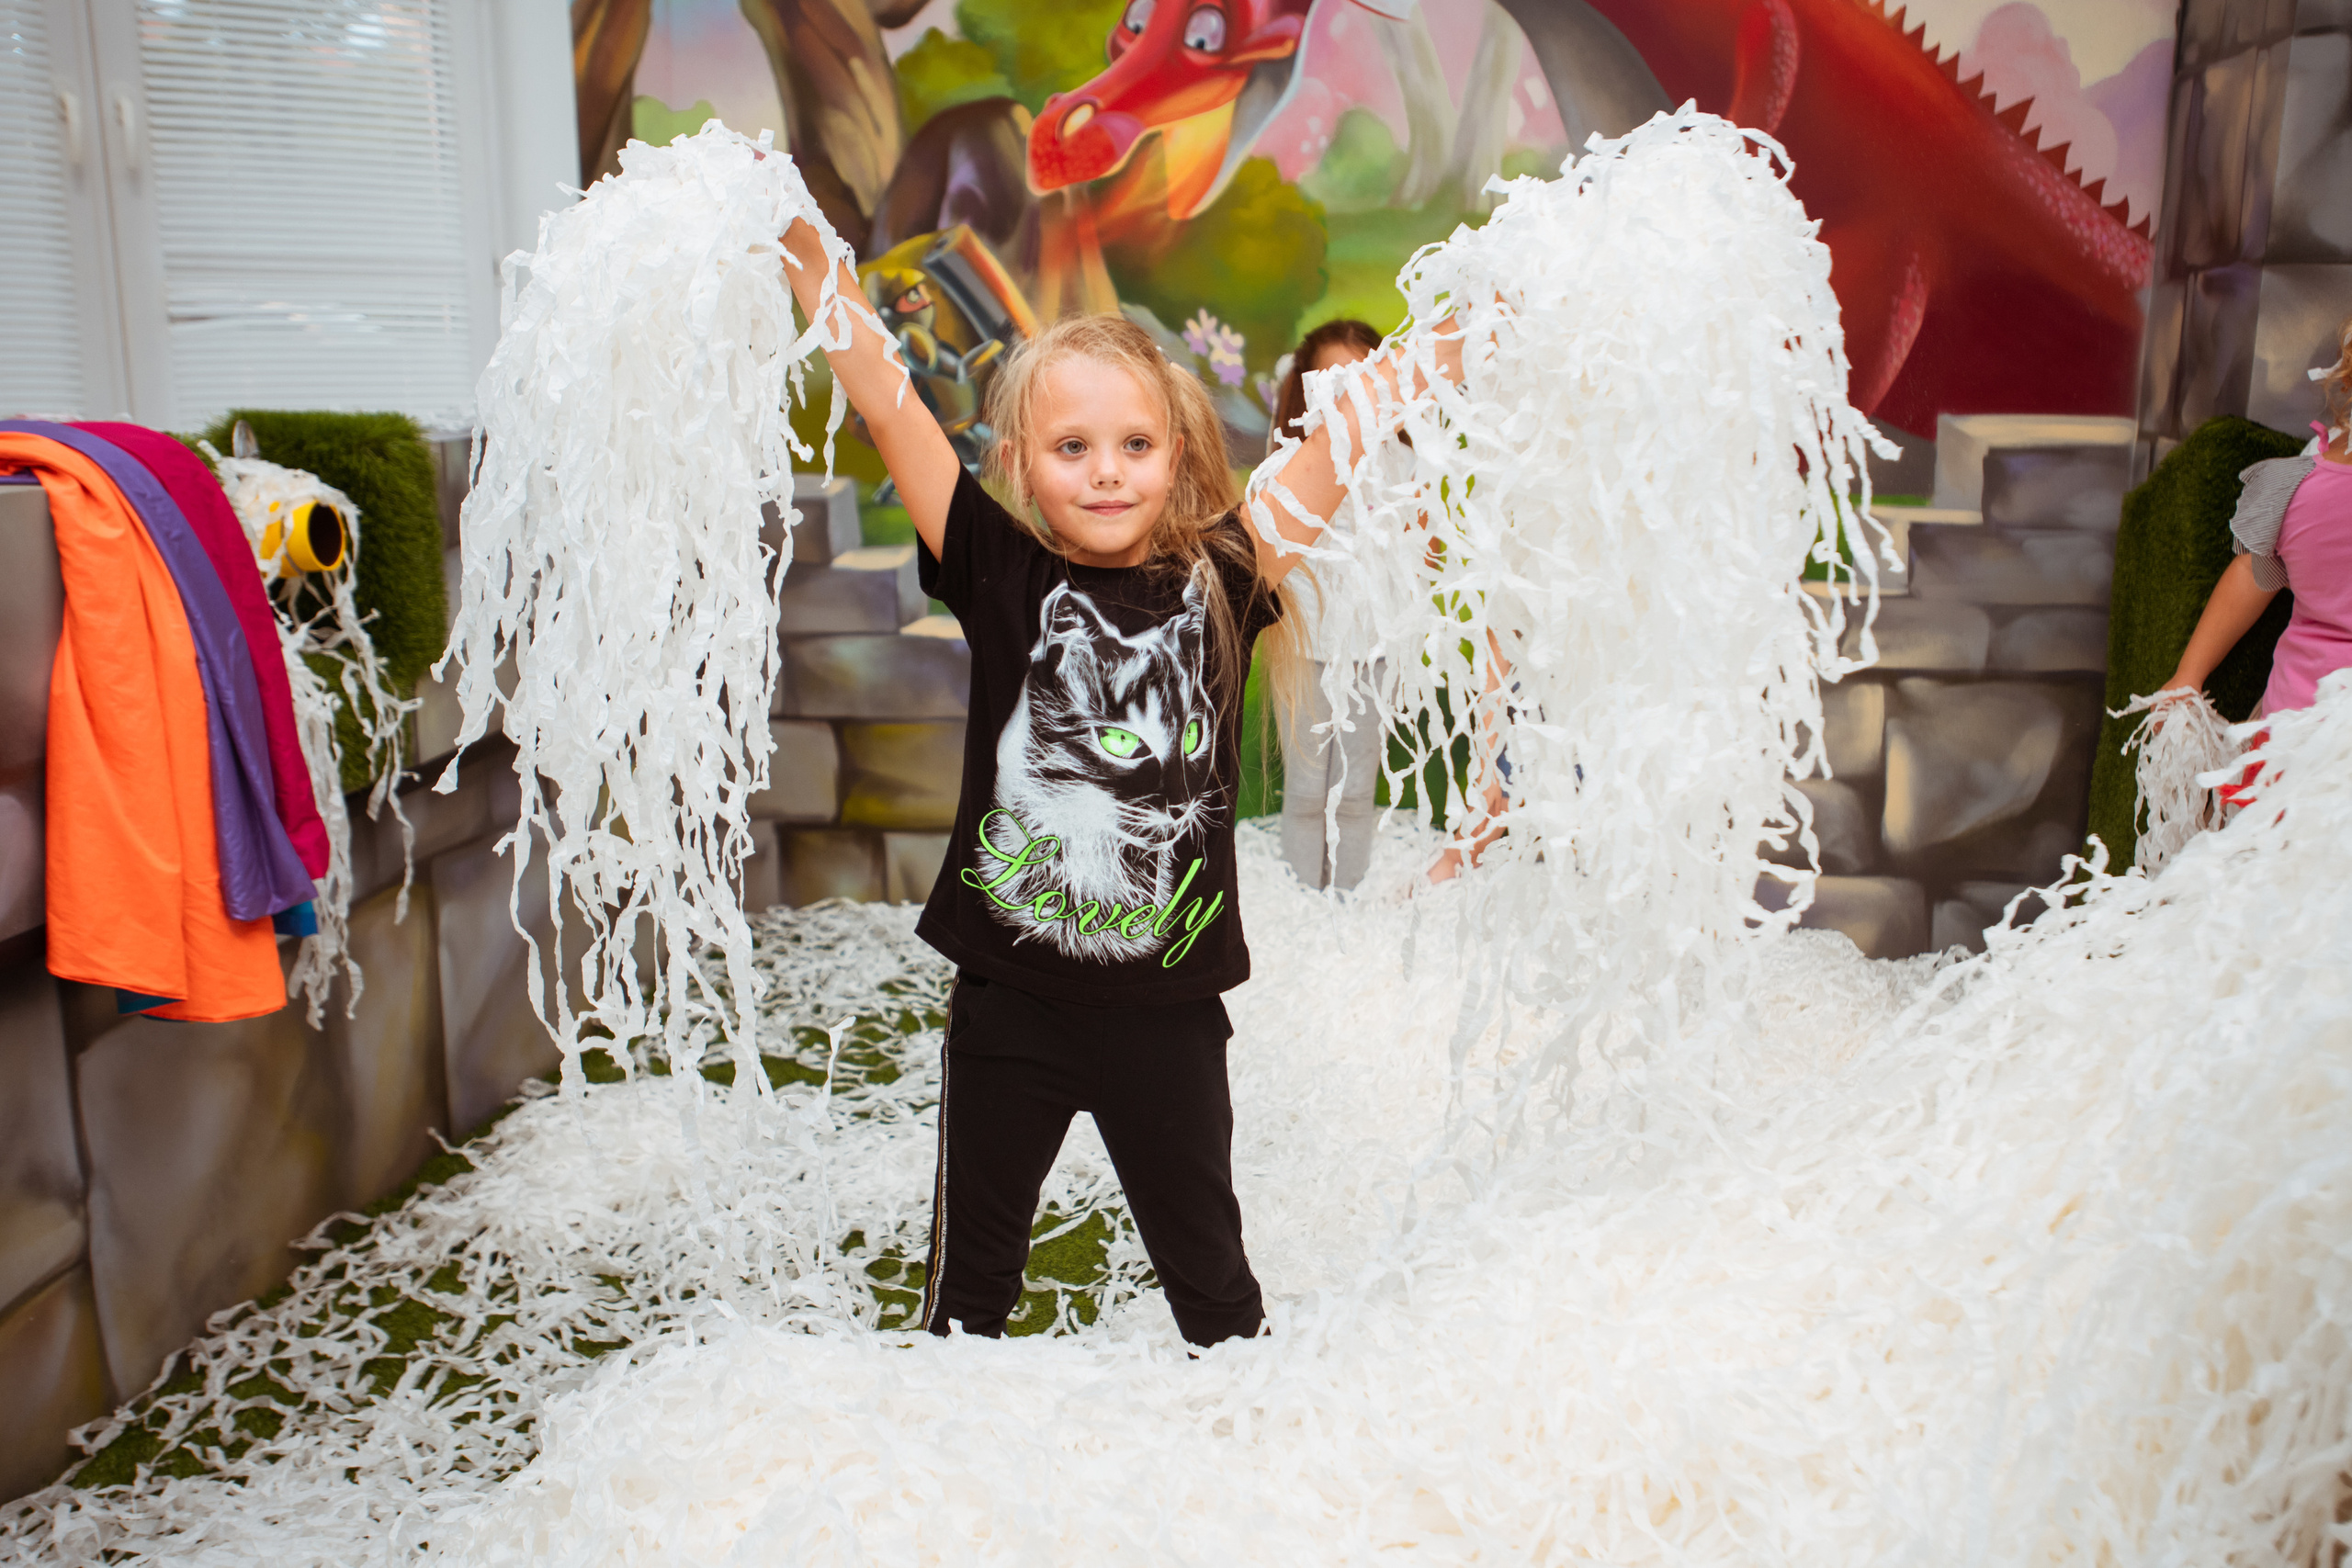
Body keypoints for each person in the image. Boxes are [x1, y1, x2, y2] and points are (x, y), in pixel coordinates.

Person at [777, 218, 1463, 1348]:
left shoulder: (1229, 574)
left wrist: (1451, 326)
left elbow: (1344, 437)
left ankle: (1249, 1462)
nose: (1105, 472)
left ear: (1179, 458)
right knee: (967, 1300)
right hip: (1011, 1007)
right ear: (1021, 466)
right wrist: (818, 275)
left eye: (1135, 446)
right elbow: (891, 404)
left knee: (1219, 1299)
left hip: (1169, 1021)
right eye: (1073, 448)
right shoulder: (998, 567)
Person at [2155, 319, 2352, 795]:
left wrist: (2188, 675)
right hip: (2304, 728)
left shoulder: (2298, 481)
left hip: (2296, 724)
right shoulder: (2300, 482)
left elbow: (2258, 569)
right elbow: (2258, 569)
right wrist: (2189, 675)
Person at [1265, 320, 1386, 891]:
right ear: (1307, 388)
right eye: (1332, 383)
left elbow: (1422, 550)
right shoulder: (1290, 469)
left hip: (1376, 652)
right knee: (1309, 792)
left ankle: (1347, 904)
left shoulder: (1403, 467)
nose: (1347, 397)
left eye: (1361, 380)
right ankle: (1301, 908)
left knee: (1356, 793)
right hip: (1307, 646)